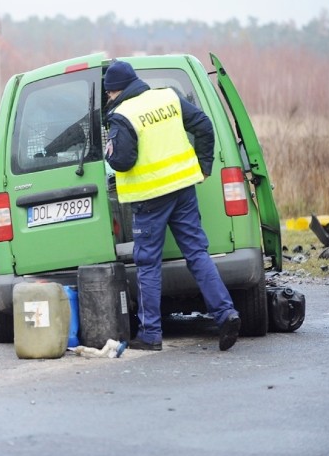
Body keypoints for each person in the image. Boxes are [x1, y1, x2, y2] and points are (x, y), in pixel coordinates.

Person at [103, 60, 241, 351]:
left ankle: (151, 334)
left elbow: (122, 160)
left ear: (115, 91)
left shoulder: (122, 114)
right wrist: (204, 166)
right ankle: (225, 312)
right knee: (197, 253)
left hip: (150, 198)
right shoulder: (167, 97)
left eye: (108, 94)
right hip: (183, 190)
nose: (108, 99)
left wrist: (109, 148)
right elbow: (203, 125)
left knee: (148, 264)